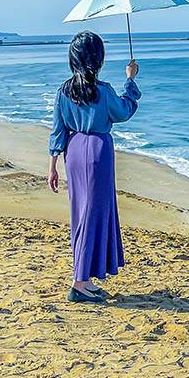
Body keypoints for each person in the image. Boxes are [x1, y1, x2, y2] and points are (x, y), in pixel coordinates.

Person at [47, 31, 140, 303]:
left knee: (82, 213)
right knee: (94, 214)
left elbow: (57, 131)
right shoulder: (103, 90)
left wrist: (52, 165)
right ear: (97, 59)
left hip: (73, 152)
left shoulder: (64, 92)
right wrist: (131, 80)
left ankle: (85, 277)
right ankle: (80, 282)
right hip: (98, 151)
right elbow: (123, 112)